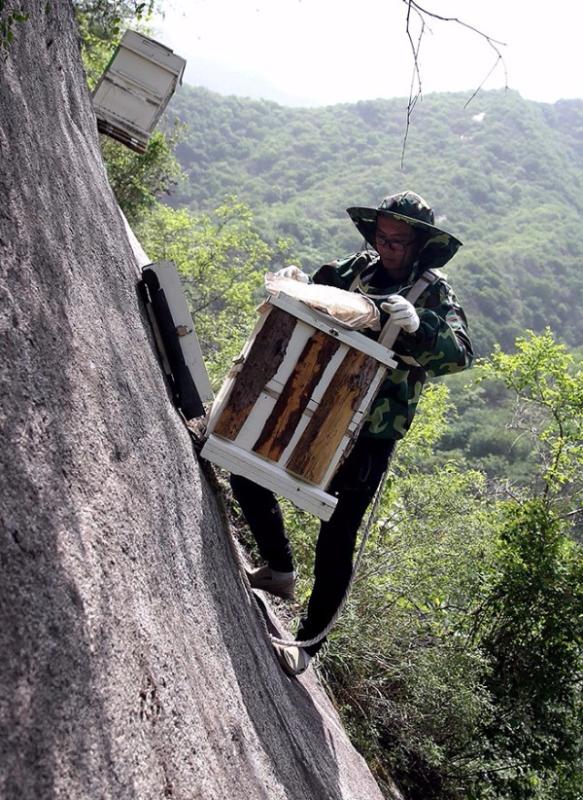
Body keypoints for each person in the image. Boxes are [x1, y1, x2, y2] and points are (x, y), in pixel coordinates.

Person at [230, 191, 473, 677]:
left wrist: (418, 324)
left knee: (338, 530)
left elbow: (460, 353)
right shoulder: (356, 269)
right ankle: (278, 569)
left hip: (374, 426)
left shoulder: (434, 293)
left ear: (421, 243)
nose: (388, 248)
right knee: (247, 463)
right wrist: (296, 284)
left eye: (399, 241)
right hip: (319, 398)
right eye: (382, 237)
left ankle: (307, 644)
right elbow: (318, 292)